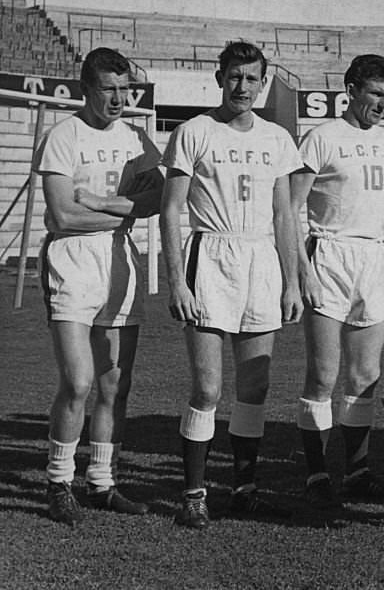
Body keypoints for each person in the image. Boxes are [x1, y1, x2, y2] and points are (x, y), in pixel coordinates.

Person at [160, 41, 303, 529]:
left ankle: (244, 490)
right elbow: (171, 210)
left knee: (255, 386)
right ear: (219, 78)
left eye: (252, 78)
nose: (243, 87)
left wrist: (291, 283)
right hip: (211, 255)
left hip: (261, 259)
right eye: (235, 77)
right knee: (207, 387)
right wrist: (176, 281)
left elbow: (284, 215)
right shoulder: (194, 132)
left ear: (263, 83)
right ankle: (194, 495)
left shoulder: (277, 138)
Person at [291, 54, 384, 506]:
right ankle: (316, 473)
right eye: (375, 93)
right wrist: (301, 269)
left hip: (372, 258)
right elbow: (291, 208)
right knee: (323, 374)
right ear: (350, 91)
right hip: (328, 253)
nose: (383, 103)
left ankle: (355, 471)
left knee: (366, 375)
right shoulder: (322, 137)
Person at [34, 47, 163, 524]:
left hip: (119, 260)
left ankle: (102, 483)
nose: (118, 99)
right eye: (108, 89)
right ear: (86, 88)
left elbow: (158, 198)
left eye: (125, 89)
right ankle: (59, 481)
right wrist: (125, 210)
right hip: (71, 261)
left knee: (115, 383)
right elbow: (61, 216)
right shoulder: (63, 136)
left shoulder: (135, 137)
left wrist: (102, 202)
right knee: (78, 381)